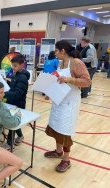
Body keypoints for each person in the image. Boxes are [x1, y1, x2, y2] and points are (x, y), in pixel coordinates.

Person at [44, 40, 90, 172]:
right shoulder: (60, 63)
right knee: (56, 128)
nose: (55, 53)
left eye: (56, 51)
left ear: (62, 51)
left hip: (70, 103)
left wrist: (68, 79)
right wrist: (50, 93)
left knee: (65, 131)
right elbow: (59, 81)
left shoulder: (76, 63)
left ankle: (66, 159)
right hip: (59, 100)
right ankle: (58, 152)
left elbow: (87, 81)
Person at [2, 54, 30, 150]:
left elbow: (17, 93)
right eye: (12, 65)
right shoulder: (17, 74)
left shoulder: (23, 78)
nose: (13, 67)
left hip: (18, 104)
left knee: (12, 123)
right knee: (15, 122)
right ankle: (21, 136)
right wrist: (7, 82)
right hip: (12, 102)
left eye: (15, 65)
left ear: (21, 65)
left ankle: (10, 143)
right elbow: (14, 87)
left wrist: (3, 94)